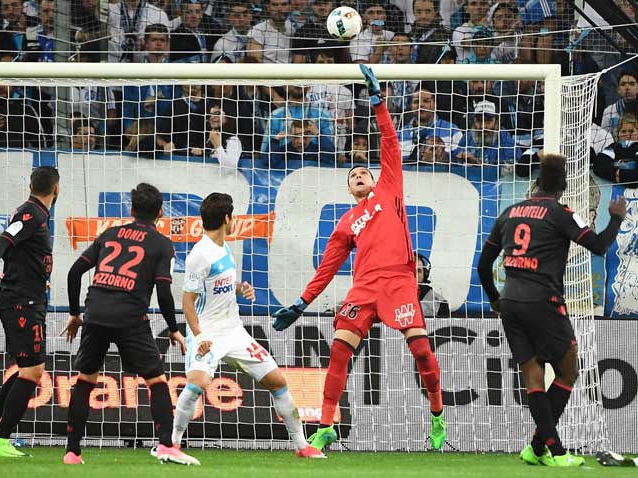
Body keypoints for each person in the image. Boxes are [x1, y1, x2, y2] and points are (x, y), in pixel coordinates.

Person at [272, 65, 446, 451]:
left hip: (400, 282)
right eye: (352, 175)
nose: (359, 174)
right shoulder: (346, 222)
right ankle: (327, 424)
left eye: (363, 171)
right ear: (348, 189)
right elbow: (327, 268)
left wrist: (378, 102)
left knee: (420, 349)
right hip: (364, 288)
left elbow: (389, 142)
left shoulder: (390, 188)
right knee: (338, 353)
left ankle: (437, 415)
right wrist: (302, 303)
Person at [477, 154, 627, 467]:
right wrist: (615, 219)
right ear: (562, 187)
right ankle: (556, 452)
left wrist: (495, 299)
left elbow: (483, 265)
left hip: (511, 303)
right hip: (543, 300)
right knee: (568, 369)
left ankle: (536, 448)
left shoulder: (509, 213)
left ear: (535, 184)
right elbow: (598, 246)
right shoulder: (560, 213)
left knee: (532, 374)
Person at [172, 192, 325, 463]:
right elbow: (187, 302)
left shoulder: (224, 249)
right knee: (197, 384)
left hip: (234, 332)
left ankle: (302, 446)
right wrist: (199, 336)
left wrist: (240, 289)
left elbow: (219, 286)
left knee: (277, 381)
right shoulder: (200, 254)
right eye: (233, 215)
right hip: (207, 332)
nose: (235, 220)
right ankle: (171, 445)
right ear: (227, 218)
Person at [60, 183, 190, 465]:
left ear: (131, 210)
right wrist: (174, 328)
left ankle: (72, 451)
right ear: (160, 213)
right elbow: (164, 291)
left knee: (85, 380)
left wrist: (75, 313)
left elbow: (74, 273)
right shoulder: (161, 243)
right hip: (130, 316)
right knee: (156, 379)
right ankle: (166, 445)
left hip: (94, 312)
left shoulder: (109, 234)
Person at [0, 166, 60, 457]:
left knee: (27, 369)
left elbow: (19, 250)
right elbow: (1, 242)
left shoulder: (37, 214)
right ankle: (0, 441)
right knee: (33, 372)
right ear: (56, 189)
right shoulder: (31, 214)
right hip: (21, 302)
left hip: (26, 300)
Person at [415, 252, 450, 317]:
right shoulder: (391, 299)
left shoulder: (439, 303)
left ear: (425, 274)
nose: (414, 275)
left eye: (418, 271)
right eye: (410, 270)